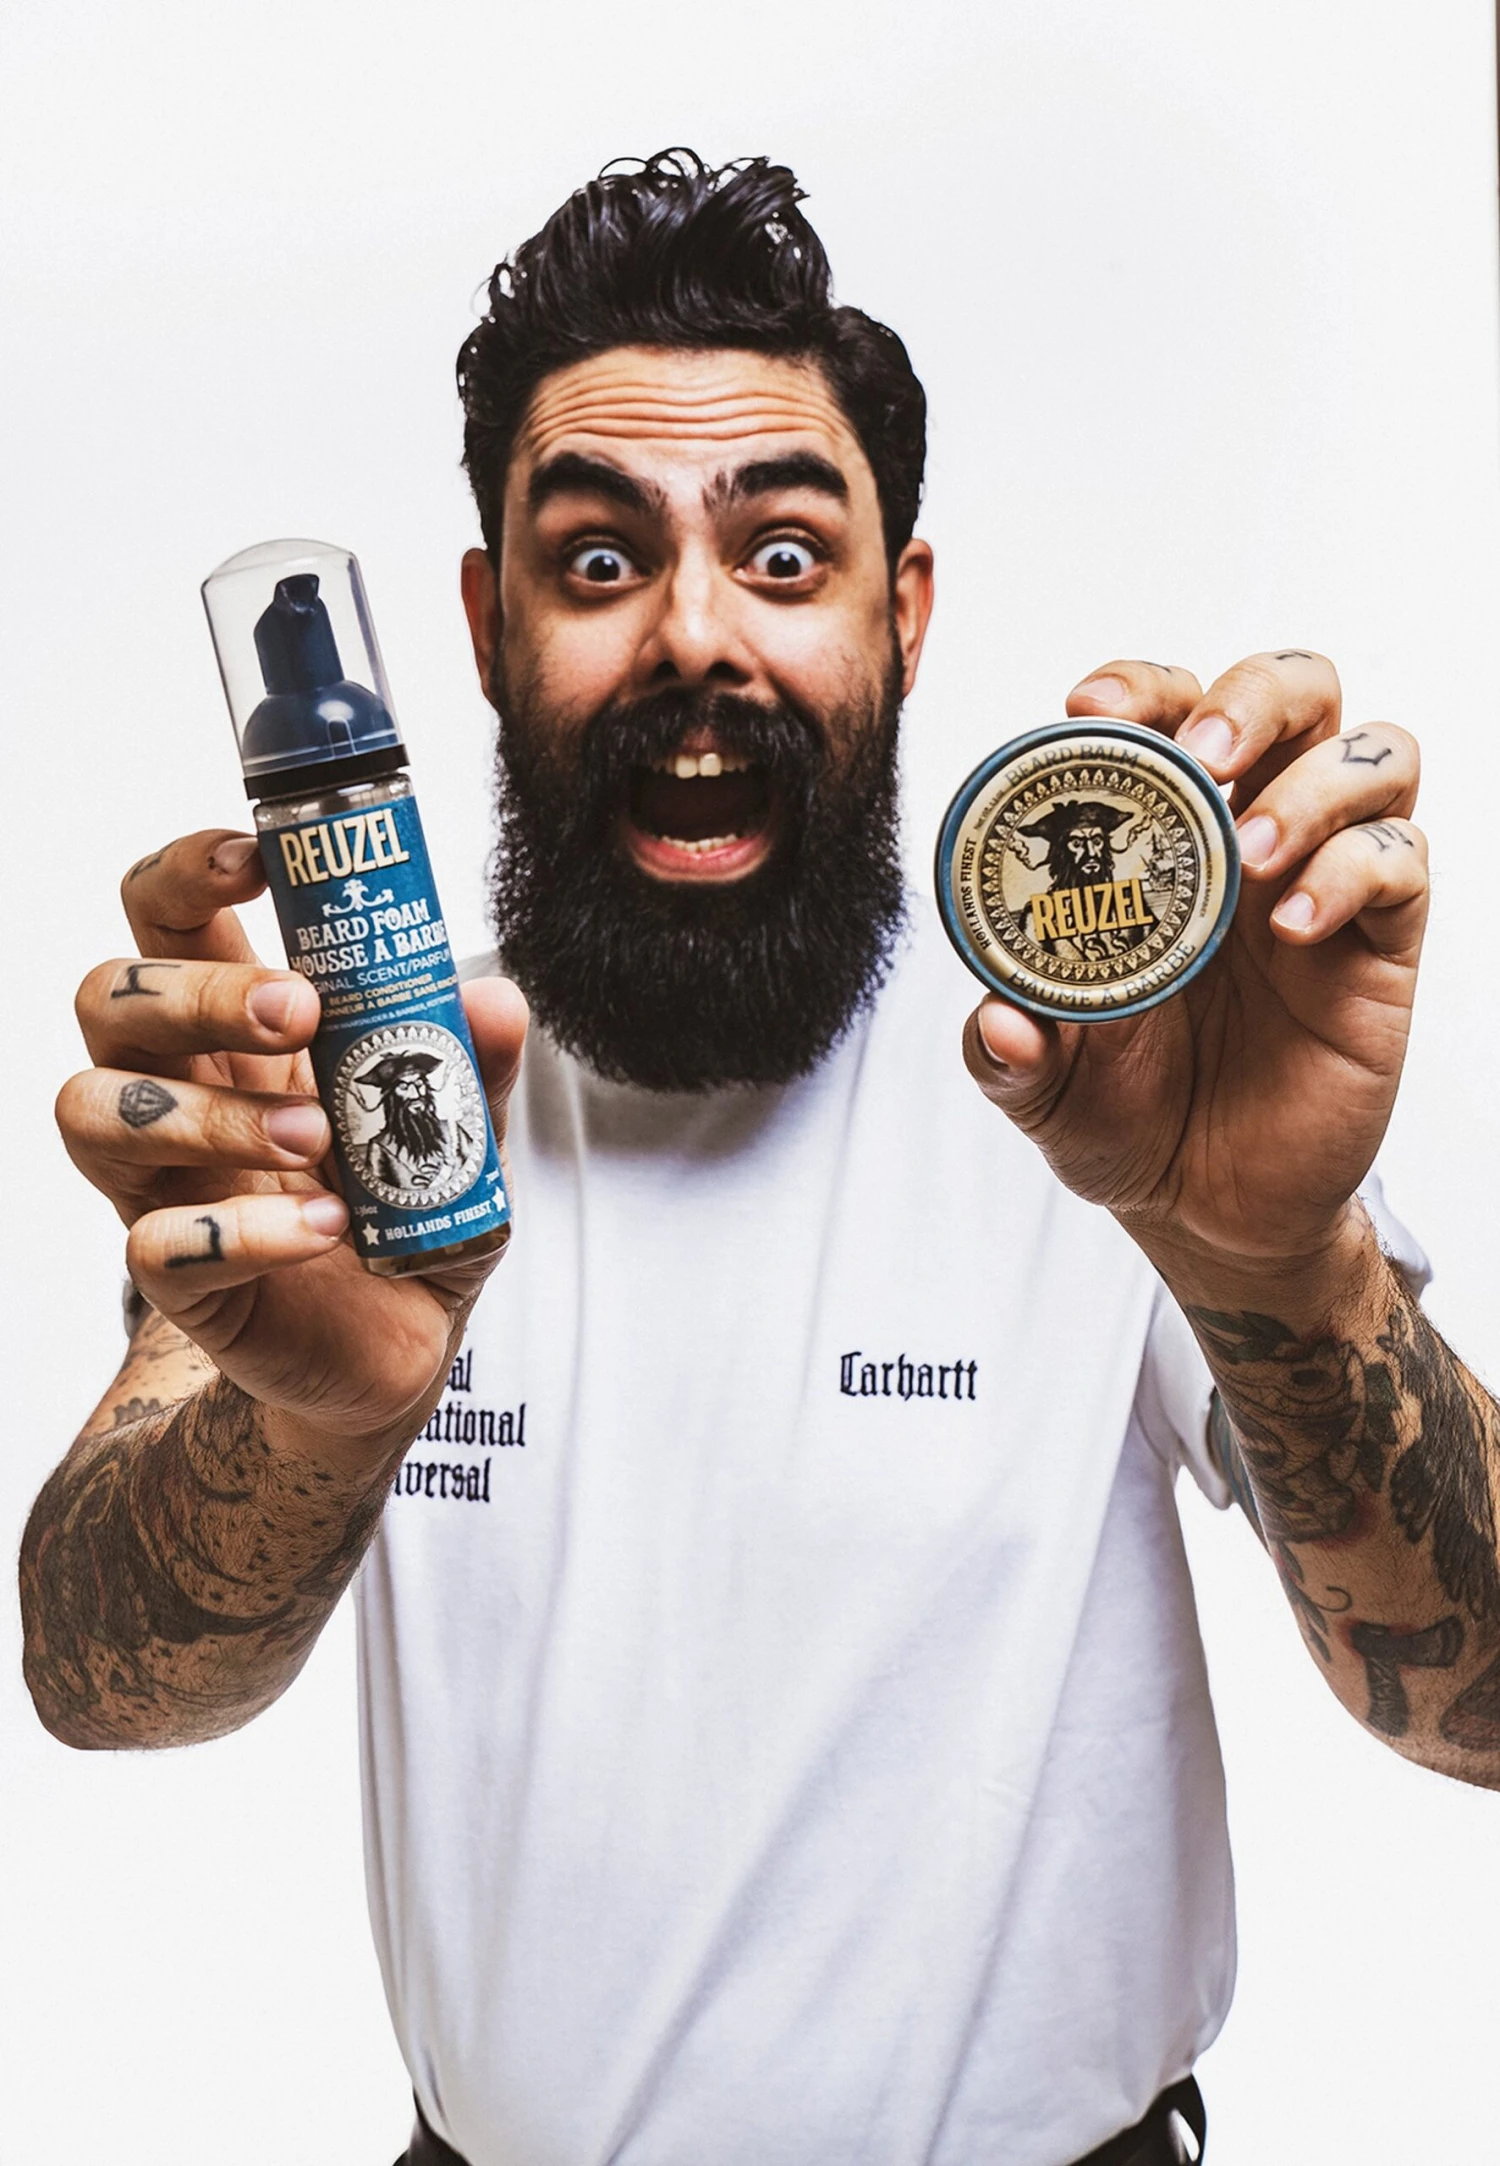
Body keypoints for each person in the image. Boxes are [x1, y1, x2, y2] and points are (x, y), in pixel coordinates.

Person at [21, 149, 1500, 2166]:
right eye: (598, 562)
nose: (693, 638)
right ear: (486, 626)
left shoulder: (1122, 1077)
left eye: (785, 556)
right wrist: (311, 1430)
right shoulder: (371, 1103)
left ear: (904, 614)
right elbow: (99, 1683)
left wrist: (1272, 1265)